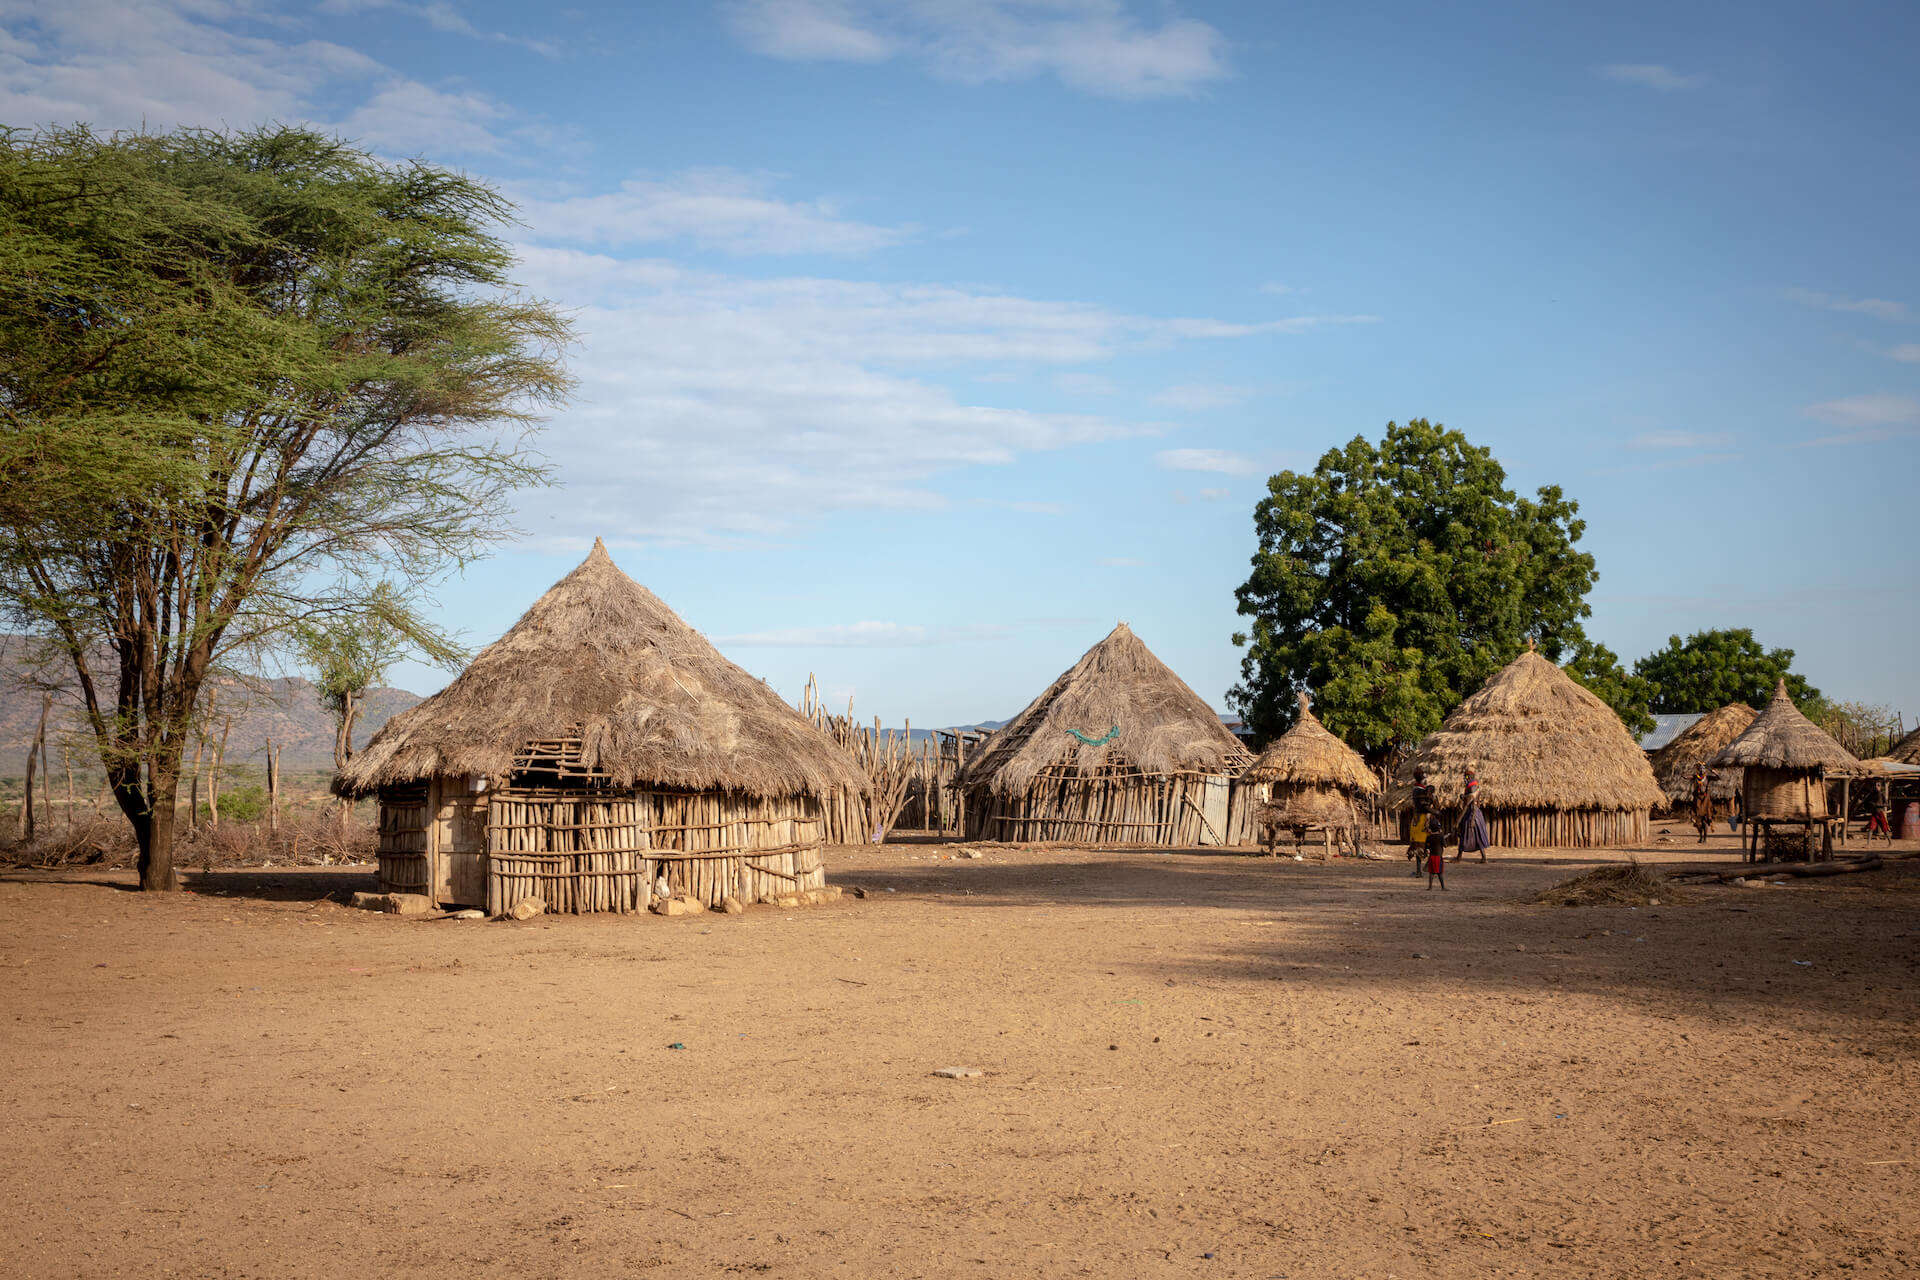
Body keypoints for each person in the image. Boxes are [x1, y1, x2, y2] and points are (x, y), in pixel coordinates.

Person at [1457, 771, 1490, 862]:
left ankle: (1459, 857)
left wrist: (1472, 819)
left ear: (1470, 777)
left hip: (1472, 813)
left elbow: (1474, 804)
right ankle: (1483, 857)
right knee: (1475, 835)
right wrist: (1464, 797)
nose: (1464, 779)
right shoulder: (1471, 787)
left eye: (1466, 777)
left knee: (1468, 834)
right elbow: (1470, 800)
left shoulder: (1472, 788)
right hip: (1472, 813)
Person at [1409, 768, 1435, 877]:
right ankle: (1423, 870)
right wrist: (1435, 812)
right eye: (1424, 778)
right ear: (1422, 779)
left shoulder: (1417, 790)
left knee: (1422, 845)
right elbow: (1424, 806)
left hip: (1418, 820)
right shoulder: (1419, 791)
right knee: (1423, 845)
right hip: (1422, 820)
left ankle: (1421, 870)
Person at [1690, 765, 1715, 844]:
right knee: (1697, 822)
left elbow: (1718, 778)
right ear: (1698, 770)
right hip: (1697, 800)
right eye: (1700, 769)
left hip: (1706, 800)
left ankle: (1705, 839)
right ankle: (1701, 837)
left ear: (1705, 770)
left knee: (1705, 821)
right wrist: (1691, 771)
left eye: (1703, 769)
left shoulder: (1708, 777)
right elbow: (1684, 776)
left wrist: (1714, 772)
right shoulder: (1695, 777)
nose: (1702, 770)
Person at [1866, 777, 1892, 844]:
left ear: (1880, 787)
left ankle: (1890, 842)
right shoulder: (1872, 794)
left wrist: (1878, 805)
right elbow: (1868, 802)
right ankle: (1868, 843)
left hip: (1880, 813)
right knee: (1871, 828)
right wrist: (1871, 804)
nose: (1876, 787)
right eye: (1875, 785)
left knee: (1885, 828)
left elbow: (1886, 804)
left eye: (1878, 785)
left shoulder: (1882, 794)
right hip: (1874, 813)